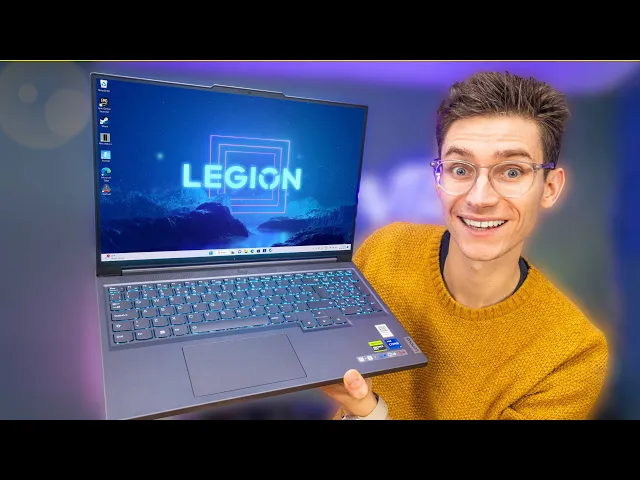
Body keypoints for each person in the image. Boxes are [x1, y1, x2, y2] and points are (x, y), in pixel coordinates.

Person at [321, 71, 609, 420]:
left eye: (512, 172)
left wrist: (368, 412)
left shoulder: (573, 353)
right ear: (438, 178)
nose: (479, 198)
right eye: (460, 169)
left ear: (550, 188)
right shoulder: (384, 250)